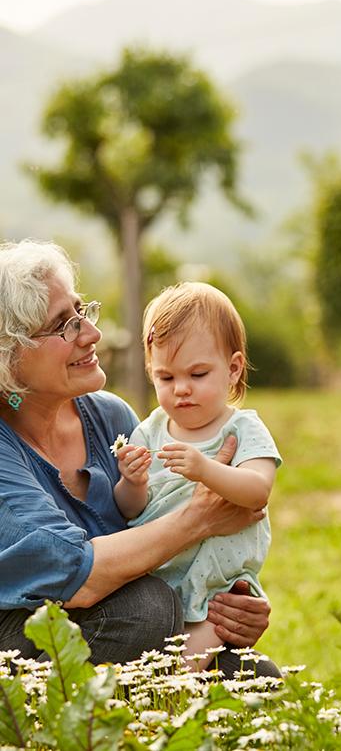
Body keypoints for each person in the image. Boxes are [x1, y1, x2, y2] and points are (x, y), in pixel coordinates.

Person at [0, 240, 277, 678]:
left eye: (81, 312)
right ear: (9, 355)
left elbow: (150, 517)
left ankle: (150, 712)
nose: (91, 334)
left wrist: (232, 605)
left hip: (146, 627)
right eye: (64, 326)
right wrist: (200, 517)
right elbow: (78, 576)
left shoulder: (110, 416)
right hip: (25, 637)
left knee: (257, 677)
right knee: (146, 608)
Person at [114, 282, 281, 670]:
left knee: (179, 668)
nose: (182, 390)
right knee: (152, 657)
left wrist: (206, 469)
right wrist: (133, 482)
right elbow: (128, 510)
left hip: (217, 586)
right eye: (166, 378)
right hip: (161, 574)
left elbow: (257, 491)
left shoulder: (242, 429)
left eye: (198, 374)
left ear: (233, 368)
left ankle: (167, 707)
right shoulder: (150, 430)